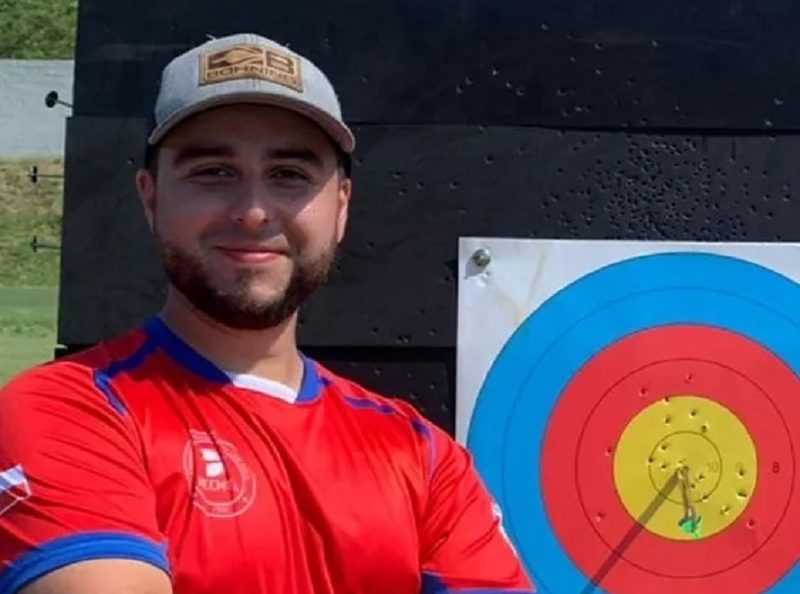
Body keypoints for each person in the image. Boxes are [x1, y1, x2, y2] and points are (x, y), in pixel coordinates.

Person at [0, 33, 535, 594]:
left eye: (289, 175)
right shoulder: (69, 412)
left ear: (341, 207)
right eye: (213, 171)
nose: (253, 211)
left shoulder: (424, 458)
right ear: (150, 196)